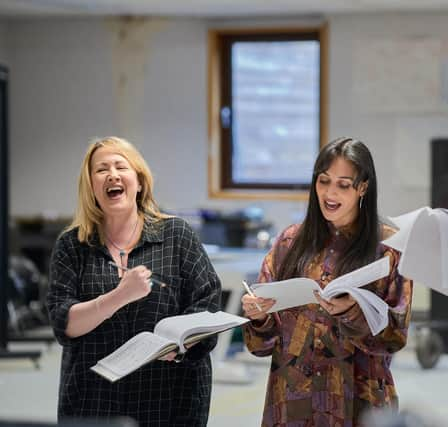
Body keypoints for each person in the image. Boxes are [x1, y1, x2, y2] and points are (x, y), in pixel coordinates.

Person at [46, 136, 221, 427]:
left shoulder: (176, 235)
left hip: (169, 396)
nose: (112, 175)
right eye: (102, 170)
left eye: (120, 166)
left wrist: (179, 345)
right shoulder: (72, 245)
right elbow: (64, 323)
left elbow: (207, 305)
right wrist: (120, 295)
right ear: (91, 187)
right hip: (94, 399)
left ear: (139, 182)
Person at [241, 137, 413, 426]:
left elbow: (395, 337)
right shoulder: (289, 242)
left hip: (360, 399)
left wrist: (352, 312)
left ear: (363, 187)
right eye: (324, 181)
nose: (330, 193)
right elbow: (261, 345)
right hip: (294, 399)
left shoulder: (388, 247)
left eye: (343, 184)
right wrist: (258, 317)